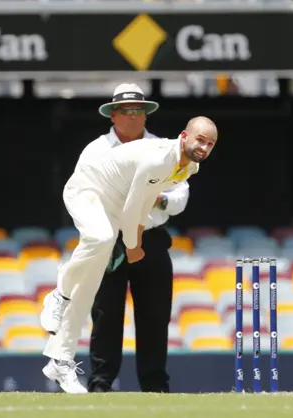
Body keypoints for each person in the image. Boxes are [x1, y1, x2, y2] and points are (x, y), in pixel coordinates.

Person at [40, 116, 218, 393]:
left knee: (100, 293)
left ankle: (60, 361)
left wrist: (135, 239)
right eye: (200, 140)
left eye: (210, 144)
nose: (204, 147)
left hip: (136, 225)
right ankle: (61, 292)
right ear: (184, 136)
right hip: (90, 194)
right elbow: (133, 207)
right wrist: (133, 246)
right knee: (102, 249)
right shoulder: (156, 159)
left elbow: (148, 201)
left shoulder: (187, 166)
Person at [82, 83, 188, 393]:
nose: (133, 117)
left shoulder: (165, 148)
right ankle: (101, 384)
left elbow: (180, 195)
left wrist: (156, 197)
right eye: (126, 111)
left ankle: (155, 386)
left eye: (139, 110)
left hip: (151, 238)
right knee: (106, 315)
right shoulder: (96, 150)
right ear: (113, 116)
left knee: (155, 316)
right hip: (109, 238)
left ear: (146, 114)